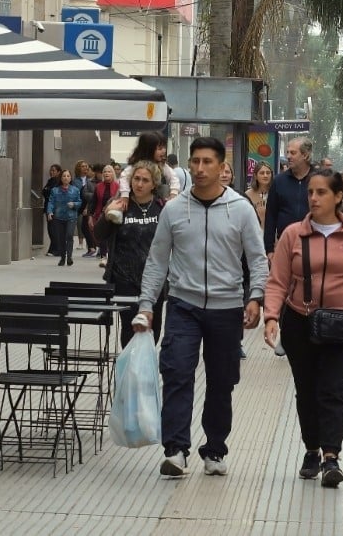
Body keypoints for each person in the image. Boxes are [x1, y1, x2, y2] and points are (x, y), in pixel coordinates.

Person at [135, 136, 269, 478]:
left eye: (207, 161)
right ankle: (176, 450)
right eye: (195, 161)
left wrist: (256, 297)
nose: (199, 168)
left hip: (227, 308)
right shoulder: (174, 210)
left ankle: (215, 450)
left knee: (222, 381)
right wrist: (147, 304)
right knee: (177, 373)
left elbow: (257, 258)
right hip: (184, 305)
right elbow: (157, 261)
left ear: (222, 167)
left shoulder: (240, 209)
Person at [265, 168, 343, 488]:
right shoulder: (293, 234)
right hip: (299, 322)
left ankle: (331, 457)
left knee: (334, 389)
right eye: (310, 192)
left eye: (321, 192)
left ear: (338, 197)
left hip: (342, 323)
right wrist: (271, 316)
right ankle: (312, 449)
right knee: (307, 390)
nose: (314, 198)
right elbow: (278, 280)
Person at [97, 161, 166, 346]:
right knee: (129, 328)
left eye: (145, 180)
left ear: (154, 184)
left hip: (155, 280)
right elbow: (99, 235)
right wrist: (107, 214)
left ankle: (145, 363)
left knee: (152, 328)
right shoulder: (120, 203)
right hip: (124, 279)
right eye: (136, 179)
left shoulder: (162, 207)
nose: (139, 184)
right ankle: (129, 364)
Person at [265, 137, 315, 255]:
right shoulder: (279, 181)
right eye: (287, 152)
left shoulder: (318, 179)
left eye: (293, 153)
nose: (288, 156)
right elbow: (271, 216)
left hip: (314, 243)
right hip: (285, 244)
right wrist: (269, 249)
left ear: (305, 155)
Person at [45, 169, 83, 266]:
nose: (66, 178)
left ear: (70, 178)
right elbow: (51, 202)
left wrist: (74, 204)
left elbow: (79, 202)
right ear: (61, 178)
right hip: (59, 217)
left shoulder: (75, 190)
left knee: (69, 235)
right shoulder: (55, 190)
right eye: (64, 176)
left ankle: (69, 257)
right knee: (61, 238)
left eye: (68, 176)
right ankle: (63, 257)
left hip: (71, 217)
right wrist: (49, 212)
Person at [91, 165, 119, 261]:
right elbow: (94, 202)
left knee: (112, 236)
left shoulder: (117, 186)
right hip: (101, 214)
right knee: (103, 235)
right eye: (105, 172)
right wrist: (90, 216)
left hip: (114, 214)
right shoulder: (98, 186)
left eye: (109, 171)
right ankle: (103, 255)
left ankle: (111, 256)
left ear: (113, 174)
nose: (107, 173)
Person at [74, 160, 98, 257]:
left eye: (86, 166)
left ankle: (92, 248)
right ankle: (91, 248)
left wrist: (87, 207)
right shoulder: (75, 181)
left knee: (86, 227)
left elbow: (92, 195)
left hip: (88, 206)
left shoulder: (90, 181)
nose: (85, 168)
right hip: (79, 205)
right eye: (82, 166)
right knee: (83, 227)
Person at [42, 164, 64, 257]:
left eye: (54, 170)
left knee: (53, 229)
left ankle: (57, 249)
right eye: (51, 170)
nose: (51, 172)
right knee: (51, 229)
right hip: (48, 207)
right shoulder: (50, 181)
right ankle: (53, 249)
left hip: (55, 209)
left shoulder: (58, 182)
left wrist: (47, 191)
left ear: (58, 172)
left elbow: (50, 193)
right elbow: (45, 191)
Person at [246, 162, 274, 229]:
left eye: (268, 173)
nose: (265, 175)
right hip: (253, 232)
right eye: (262, 173)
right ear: (255, 176)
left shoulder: (277, 193)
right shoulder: (248, 195)